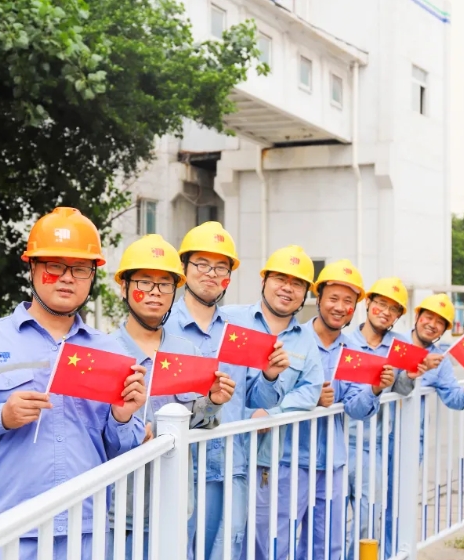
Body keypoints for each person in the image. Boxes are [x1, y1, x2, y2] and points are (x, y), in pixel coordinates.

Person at [0, 207, 147, 559]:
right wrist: (1, 417)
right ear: (32, 268)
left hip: (84, 532)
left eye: (80, 268)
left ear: (92, 276)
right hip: (7, 531)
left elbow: (122, 450)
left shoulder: (109, 351)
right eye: (54, 265)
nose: (66, 278)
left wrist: (121, 417)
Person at [106, 234, 238, 560]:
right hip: (118, 510)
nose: (155, 293)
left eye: (164, 285)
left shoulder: (187, 352)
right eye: (144, 282)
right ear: (123, 288)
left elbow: (200, 420)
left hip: (176, 502)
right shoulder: (103, 351)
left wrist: (214, 402)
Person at [163, 222, 286, 559]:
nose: (211, 274)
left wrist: (270, 377)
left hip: (233, 464)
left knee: (226, 552)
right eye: (202, 264)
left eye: (221, 267)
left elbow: (255, 398)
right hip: (180, 467)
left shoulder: (240, 330)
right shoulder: (162, 325)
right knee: (177, 550)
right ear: (184, 268)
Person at [274, 260, 395, 560]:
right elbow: (268, 396)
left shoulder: (354, 351)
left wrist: (375, 388)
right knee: (280, 540)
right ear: (318, 299)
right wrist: (309, 399)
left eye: (349, 302)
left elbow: (355, 407)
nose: (340, 307)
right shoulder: (290, 340)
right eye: (334, 299)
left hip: (332, 463)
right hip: (288, 459)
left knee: (327, 545)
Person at [224, 245, 324, 560]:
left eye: (297, 284)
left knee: (259, 543)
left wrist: (272, 413)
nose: (287, 288)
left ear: (305, 293)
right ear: (264, 279)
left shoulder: (306, 339)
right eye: (280, 278)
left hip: (264, 460)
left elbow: (311, 388)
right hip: (219, 454)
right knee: (218, 540)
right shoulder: (230, 319)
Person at [381, 294, 464, 558]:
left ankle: (394, 554)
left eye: (440, 322)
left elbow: (454, 399)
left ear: (445, 329)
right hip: (374, 437)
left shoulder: (441, 360)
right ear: (417, 317)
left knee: (397, 505)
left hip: (408, 441)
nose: (432, 324)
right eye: (428, 317)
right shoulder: (392, 343)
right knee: (366, 505)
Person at [344, 277, 413, 559]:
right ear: (368, 303)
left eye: (393, 308)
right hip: (337, 441)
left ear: (398, 316)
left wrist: (409, 375)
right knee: (331, 522)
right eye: (381, 304)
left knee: (367, 520)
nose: (385, 311)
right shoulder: (344, 340)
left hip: (372, 446)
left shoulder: (401, 345)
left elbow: (404, 389)